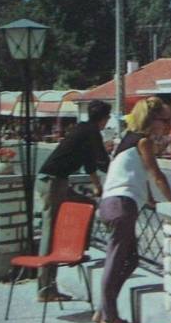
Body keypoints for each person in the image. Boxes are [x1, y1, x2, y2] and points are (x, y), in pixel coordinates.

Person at [95, 97, 171, 323]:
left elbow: (136, 172)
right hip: (122, 205)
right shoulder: (143, 142)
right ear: (153, 120)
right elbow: (155, 173)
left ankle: (102, 310)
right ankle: (109, 317)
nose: (167, 125)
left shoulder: (128, 140)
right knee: (115, 261)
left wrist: (148, 198)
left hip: (112, 203)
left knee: (130, 260)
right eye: (165, 120)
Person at [34, 100, 112, 302]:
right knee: (49, 234)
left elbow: (89, 163)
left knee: (87, 205)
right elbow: (102, 161)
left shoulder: (83, 129)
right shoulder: (92, 132)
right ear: (104, 118)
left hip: (54, 180)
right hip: (53, 182)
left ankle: (76, 251)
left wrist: (98, 186)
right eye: (108, 118)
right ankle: (45, 290)